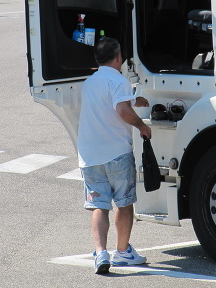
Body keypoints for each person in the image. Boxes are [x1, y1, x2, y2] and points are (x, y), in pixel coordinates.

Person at [77, 37, 152, 274]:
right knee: (124, 202)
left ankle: (100, 253)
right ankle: (122, 252)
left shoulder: (89, 83)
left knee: (99, 206)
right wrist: (142, 126)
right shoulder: (119, 80)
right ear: (118, 57)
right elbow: (121, 109)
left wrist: (135, 100)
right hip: (116, 153)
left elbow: (115, 102)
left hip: (90, 156)